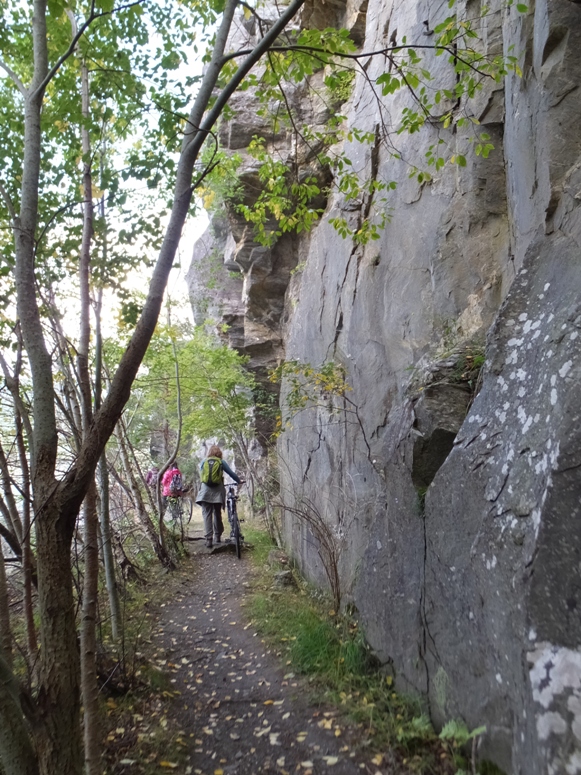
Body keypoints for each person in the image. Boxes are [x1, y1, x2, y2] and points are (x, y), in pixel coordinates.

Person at [195, 445, 240, 549]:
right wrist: (238, 481)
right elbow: (231, 473)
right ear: (219, 453)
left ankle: (209, 539)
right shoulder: (221, 462)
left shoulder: (204, 462)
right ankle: (217, 536)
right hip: (218, 491)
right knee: (217, 513)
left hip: (205, 491)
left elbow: (202, 477)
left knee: (207, 514)